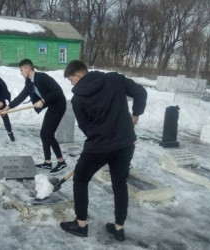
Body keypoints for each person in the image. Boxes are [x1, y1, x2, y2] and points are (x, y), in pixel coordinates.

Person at [60, 60, 147, 240]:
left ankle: (81, 224)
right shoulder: (115, 79)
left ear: (79, 74)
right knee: (119, 184)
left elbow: (86, 127)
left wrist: (100, 134)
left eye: (71, 79)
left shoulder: (78, 99)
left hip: (98, 146)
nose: (72, 84)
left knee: (81, 179)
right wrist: (135, 114)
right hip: (124, 143)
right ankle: (119, 228)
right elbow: (141, 92)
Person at [4, 59, 67, 174]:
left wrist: (43, 100)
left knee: (48, 134)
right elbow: (22, 95)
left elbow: (57, 91)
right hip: (52, 105)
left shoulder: (42, 77)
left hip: (59, 105)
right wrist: (8, 107)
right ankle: (47, 163)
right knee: (44, 134)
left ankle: (61, 162)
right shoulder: (29, 82)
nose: (21, 72)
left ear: (28, 69)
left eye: (21, 70)